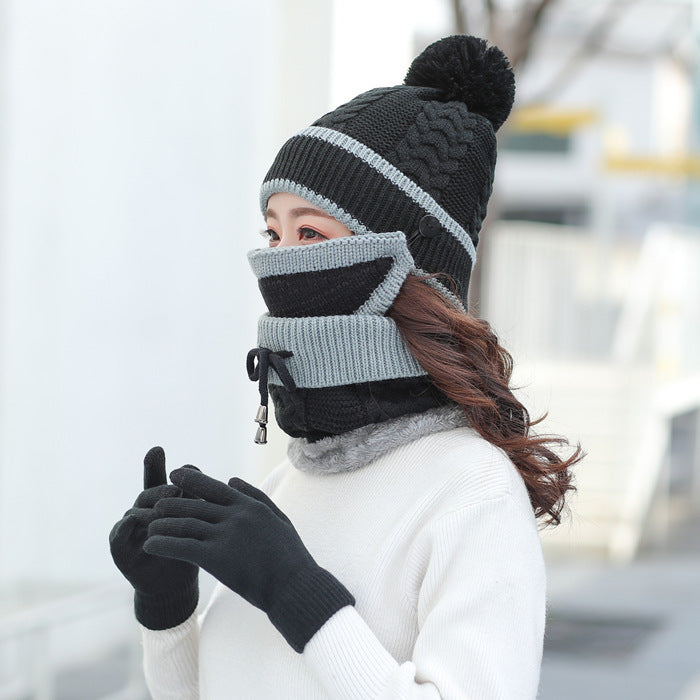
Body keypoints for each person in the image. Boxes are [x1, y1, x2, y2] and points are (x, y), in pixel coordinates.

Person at [109, 35, 583, 699]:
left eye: (311, 234)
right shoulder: (288, 483)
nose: (279, 260)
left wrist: (297, 594)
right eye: (273, 233)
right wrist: (166, 611)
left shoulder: (472, 494)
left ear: (408, 268)